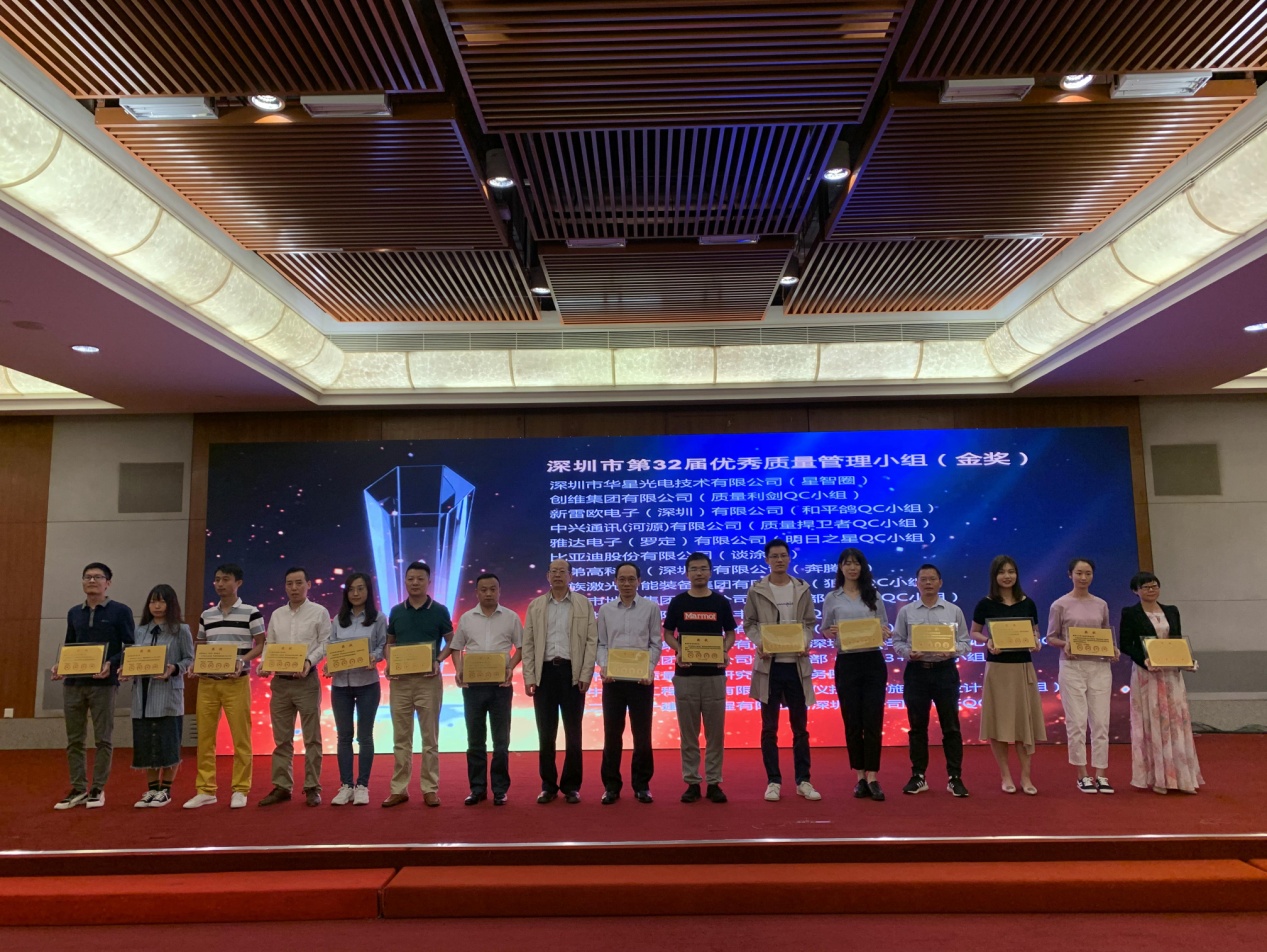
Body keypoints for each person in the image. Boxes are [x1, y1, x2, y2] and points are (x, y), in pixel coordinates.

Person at [51, 562, 135, 810]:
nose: (92, 581)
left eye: (98, 577)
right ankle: (78, 788)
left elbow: (130, 646)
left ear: (108, 583)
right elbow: (70, 645)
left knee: (103, 739)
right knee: (74, 739)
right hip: (74, 683)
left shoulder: (121, 611)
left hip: (103, 684)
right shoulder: (73, 612)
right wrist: (60, 665)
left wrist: (111, 663)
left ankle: (98, 788)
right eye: (87, 577)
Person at [184, 562, 265, 810]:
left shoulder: (251, 612)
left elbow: (262, 643)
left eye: (226, 579)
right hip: (207, 682)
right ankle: (205, 790)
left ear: (238, 583)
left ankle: (240, 789)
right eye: (217, 579)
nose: (220, 584)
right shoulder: (207, 615)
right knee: (205, 738)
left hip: (236, 683)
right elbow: (201, 644)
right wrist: (195, 664)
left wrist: (243, 660)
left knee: (241, 737)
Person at [745, 538, 821, 802]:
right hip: (770, 668)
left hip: (797, 667)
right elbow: (749, 624)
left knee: (800, 728)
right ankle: (773, 781)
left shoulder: (802, 588)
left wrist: (805, 641)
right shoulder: (757, 590)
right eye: (774, 556)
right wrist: (761, 643)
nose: (779, 560)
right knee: (769, 728)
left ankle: (804, 781)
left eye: (783, 555)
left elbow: (809, 623)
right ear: (767, 560)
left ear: (790, 558)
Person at [522, 558, 598, 804]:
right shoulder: (536, 606)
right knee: (546, 733)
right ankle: (548, 785)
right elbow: (528, 644)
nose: (557, 575)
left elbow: (591, 641)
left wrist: (585, 674)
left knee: (573, 733)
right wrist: (529, 676)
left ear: (570, 576)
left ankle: (572, 786)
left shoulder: (583, 603)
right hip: (544, 674)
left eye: (562, 571)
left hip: (571, 673)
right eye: (553, 571)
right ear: (547, 576)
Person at [1119, 572, 1203, 795]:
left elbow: (1176, 640)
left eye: (1154, 586)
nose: (1151, 590)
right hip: (1147, 676)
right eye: (1145, 587)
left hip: (1171, 676)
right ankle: (1158, 778)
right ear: (1135, 591)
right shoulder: (1130, 613)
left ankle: (1182, 777)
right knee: (1153, 722)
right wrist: (1145, 661)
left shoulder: (1171, 610)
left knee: (1175, 722)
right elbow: (1125, 644)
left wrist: (1185, 661)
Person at [892, 563, 971, 798]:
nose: (928, 583)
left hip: (945, 671)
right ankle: (918, 776)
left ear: (940, 582)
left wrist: (953, 650)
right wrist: (909, 653)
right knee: (917, 727)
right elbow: (897, 641)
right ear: (916, 583)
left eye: (932, 579)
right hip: (917, 672)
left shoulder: (953, 610)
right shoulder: (907, 611)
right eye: (923, 579)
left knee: (951, 726)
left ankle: (955, 777)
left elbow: (965, 642)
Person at [664, 552, 736, 804]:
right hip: (686, 676)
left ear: (710, 572)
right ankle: (692, 782)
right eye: (694, 569)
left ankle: (714, 782)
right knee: (689, 734)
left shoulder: (720, 602)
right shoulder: (678, 602)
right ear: (687, 573)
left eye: (703, 568)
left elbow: (730, 633)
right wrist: (679, 650)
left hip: (714, 676)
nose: (699, 573)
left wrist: (724, 650)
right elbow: (668, 633)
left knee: (715, 734)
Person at [382, 561, 454, 808]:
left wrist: (438, 661)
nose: (415, 583)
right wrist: (389, 663)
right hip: (400, 682)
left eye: (420, 579)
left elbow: (451, 642)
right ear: (405, 581)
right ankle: (399, 789)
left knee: (429, 738)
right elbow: (390, 643)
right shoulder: (396, 611)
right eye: (410, 578)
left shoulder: (440, 610)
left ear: (428, 582)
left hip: (428, 681)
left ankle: (430, 788)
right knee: (401, 738)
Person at [971, 555, 1044, 796]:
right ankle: (1005, 775)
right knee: (998, 724)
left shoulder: (1027, 602)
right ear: (994, 576)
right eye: (1002, 572)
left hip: (1022, 667)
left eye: (1011, 571)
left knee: (1025, 725)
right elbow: (974, 632)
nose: (1007, 576)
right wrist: (988, 641)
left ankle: (1026, 776)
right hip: (998, 669)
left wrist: (1036, 641)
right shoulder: (985, 603)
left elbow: (1035, 632)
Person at [258, 566, 330, 807]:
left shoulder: (319, 612)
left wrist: (309, 661)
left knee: (312, 738)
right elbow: (270, 643)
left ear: (309, 585)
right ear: (285, 587)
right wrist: (264, 663)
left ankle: (312, 787)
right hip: (280, 683)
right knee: (281, 740)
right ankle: (282, 786)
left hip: (306, 682)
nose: (294, 588)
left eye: (299, 583)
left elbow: (326, 643)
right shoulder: (277, 614)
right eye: (289, 583)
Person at [822, 547, 890, 801]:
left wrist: (884, 632)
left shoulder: (874, 595)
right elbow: (825, 629)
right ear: (840, 568)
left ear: (863, 567)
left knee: (873, 719)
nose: (852, 568)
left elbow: (884, 626)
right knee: (852, 720)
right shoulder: (832, 597)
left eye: (856, 563)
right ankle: (859, 776)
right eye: (847, 563)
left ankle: (873, 776)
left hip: (872, 661)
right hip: (847, 662)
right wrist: (830, 632)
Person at [452, 573, 523, 806]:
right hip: (473, 687)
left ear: (499, 591)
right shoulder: (467, 618)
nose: (489, 593)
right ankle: (477, 789)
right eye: (484, 590)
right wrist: (459, 669)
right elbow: (456, 647)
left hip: (500, 686)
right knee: (475, 741)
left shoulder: (511, 617)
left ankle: (500, 789)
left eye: (493, 589)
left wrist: (510, 668)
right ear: (476, 592)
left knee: (501, 742)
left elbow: (522, 648)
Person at [1046, 557, 1117, 794]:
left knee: (1101, 722)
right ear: (1070, 575)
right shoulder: (1060, 604)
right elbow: (1051, 636)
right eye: (1079, 573)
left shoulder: (1101, 604)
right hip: (1072, 667)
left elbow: (1105, 634)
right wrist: (1065, 644)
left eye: (1088, 573)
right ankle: (1082, 774)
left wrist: (1112, 649)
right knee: (1076, 722)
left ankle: (1101, 774)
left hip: (1099, 668)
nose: (1083, 578)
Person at [596, 562, 662, 804]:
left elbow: (655, 643)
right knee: (612, 735)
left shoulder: (651, 608)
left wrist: (648, 669)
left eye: (631, 579)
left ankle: (642, 785)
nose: (626, 583)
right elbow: (601, 644)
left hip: (641, 682)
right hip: (613, 681)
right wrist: (604, 667)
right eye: (622, 579)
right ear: (615, 581)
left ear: (639, 581)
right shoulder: (605, 610)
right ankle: (611, 786)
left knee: (642, 736)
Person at [123, 584, 194, 807]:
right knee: (147, 743)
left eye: (162, 601)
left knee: (167, 742)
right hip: (142, 695)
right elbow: (133, 657)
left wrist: (173, 668)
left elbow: (189, 659)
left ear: (171, 604)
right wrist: (125, 669)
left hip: (167, 693)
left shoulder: (180, 630)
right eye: (153, 601)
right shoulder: (140, 630)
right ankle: (152, 789)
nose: (157, 606)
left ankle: (166, 790)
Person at [325, 572, 387, 806]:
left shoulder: (378, 618)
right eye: (351, 589)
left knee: (365, 736)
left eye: (360, 588)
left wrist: (374, 657)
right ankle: (346, 786)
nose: (356, 593)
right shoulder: (337, 619)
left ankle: (362, 786)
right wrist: (330, 664)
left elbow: (382, 645)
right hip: (341, 685)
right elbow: (330, 646)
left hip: (367, 684)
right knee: (343, 737)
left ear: (368, 591)